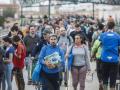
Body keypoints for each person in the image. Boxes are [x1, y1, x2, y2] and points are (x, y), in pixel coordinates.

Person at [99, 21, 120, 90]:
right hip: (114, 59)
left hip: (105, 59)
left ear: (107, 26)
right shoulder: (117, 36)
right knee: (113, 79)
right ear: (114, 27)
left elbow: (100, 43)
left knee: (105, 78)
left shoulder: (103, 35)